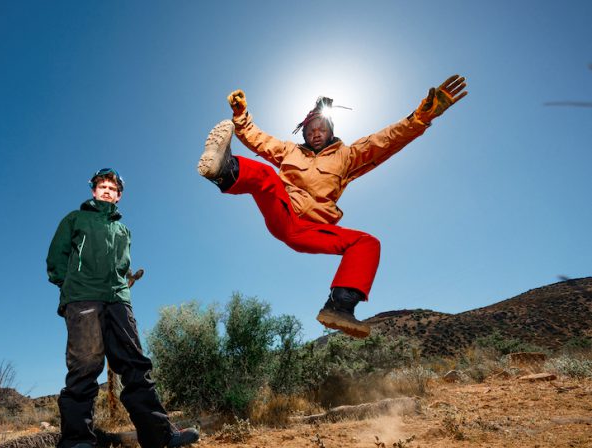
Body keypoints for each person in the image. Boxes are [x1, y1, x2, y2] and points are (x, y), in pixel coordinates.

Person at [197, 76, 468, 338]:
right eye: (310, 130)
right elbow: (258, 139)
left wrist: (419, 118)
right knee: (267, 177)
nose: (316, 134)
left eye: (321, 129)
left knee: (366, 243)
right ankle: (222, 169)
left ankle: (339, 308)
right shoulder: (289, 151)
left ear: (330, 132)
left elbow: (384, 141)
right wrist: (241, 115)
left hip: (314, 229)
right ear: (303, 133)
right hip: (284, 212)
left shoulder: (347, 156)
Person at [46, 168, 199, 448]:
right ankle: (76, 444)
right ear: (94, 191)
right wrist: (72, 286)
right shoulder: (75, 219)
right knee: (85, 367)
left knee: (136, 364)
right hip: (83, 299)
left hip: (118, 299)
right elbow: (56, 259)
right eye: (101, 186)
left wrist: (120, 288)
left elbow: (121, 266)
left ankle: (160, 436)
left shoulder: (123, 230)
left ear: (118, 195)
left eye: (111, 188)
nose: (106, 190)